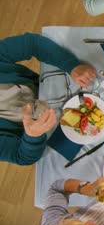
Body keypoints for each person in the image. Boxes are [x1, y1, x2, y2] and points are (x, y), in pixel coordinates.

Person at [0, 33, 96, 165]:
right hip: (47, 131)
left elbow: (31, 43)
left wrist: (71, 65)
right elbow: (22, 157)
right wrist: (32, 136)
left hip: (51, 88)